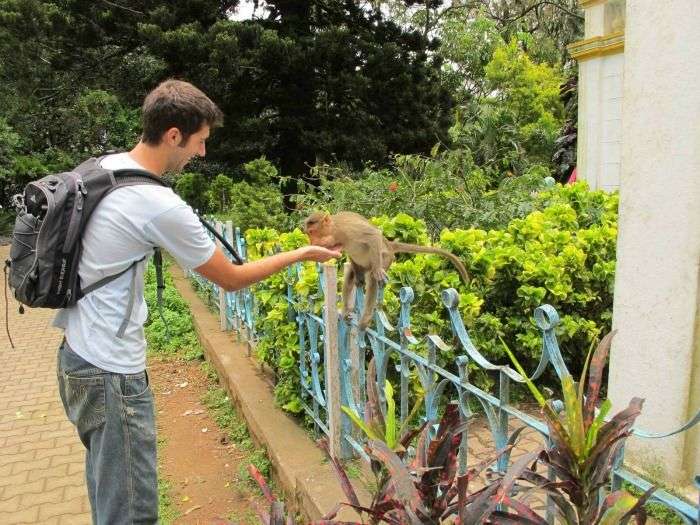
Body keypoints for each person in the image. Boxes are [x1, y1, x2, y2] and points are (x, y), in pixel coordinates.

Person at [53, 79, 340, 525]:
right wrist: (302, 252)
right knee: (129, 510)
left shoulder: (105, 168)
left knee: (106, 488)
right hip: (111, 372)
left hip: (75, 356)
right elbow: (230, 279)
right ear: (173, 135)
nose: (201, 154)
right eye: (200, 142)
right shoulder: (155, 202)